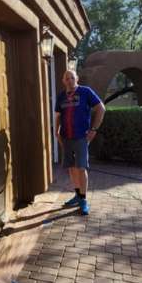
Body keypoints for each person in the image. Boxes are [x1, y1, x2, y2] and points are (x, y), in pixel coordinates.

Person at [54, 70, 105, 215]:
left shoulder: (85, 92)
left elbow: (101, 108)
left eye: (72, 77)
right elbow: (58, 115)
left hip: (81, 136)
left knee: (81, 167)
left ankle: (83, 200)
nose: (69, 80)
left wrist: (94, 129)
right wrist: (56, 131)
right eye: (66, 78)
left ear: (76, 78)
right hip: (66, 137)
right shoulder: (61, 96)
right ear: (63, 81)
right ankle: (77, 194)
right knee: (71, 167)